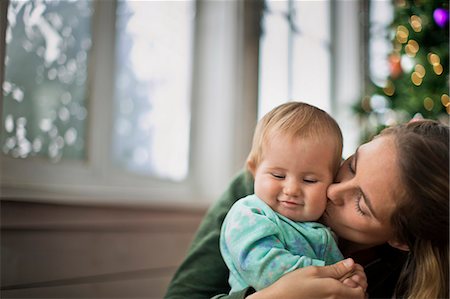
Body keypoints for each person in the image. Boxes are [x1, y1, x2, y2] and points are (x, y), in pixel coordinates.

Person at [164, 115, 449, 299]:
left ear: (400, 240)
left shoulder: (402, 281)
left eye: (361, 204)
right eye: (351, 166)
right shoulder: (264, 188)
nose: (333, 190)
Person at [220, 102, 364, 294]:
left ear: (331, 183)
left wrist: (352, 280)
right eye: (278, 176)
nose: (292, 189)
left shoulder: (322, 229)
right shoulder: (249, 214)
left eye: (309, 180)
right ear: (254, 170)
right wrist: (336, 276)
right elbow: (264, 269)